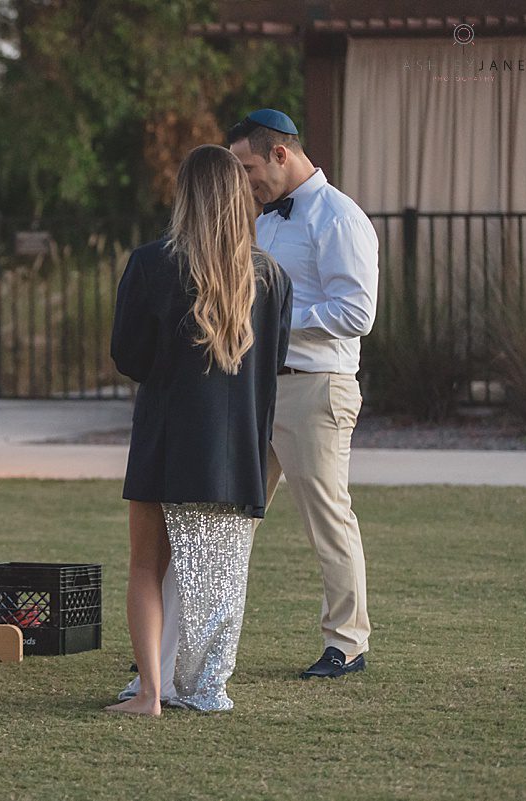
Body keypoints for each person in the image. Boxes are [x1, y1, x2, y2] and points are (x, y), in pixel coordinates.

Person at [106, 144, 292, 715]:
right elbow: (274, 365)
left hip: (167, 437)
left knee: (146, 566)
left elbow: (127, 355)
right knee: (221, 578)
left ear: (186, 196)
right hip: (237, 450)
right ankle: (205, 684)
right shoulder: (273, 278)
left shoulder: (152, 264)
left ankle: (151, 693)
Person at [228, 109, 378, 679]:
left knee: (327, 519)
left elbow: (357, 312)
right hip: (259, 387)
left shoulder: (339, 218)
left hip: (316, 391)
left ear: (280, 154)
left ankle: (348, 643)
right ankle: (208, 640)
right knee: (231, 514)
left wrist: (276, 321)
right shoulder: (265, 221)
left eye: (247, 168)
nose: (244, 181)